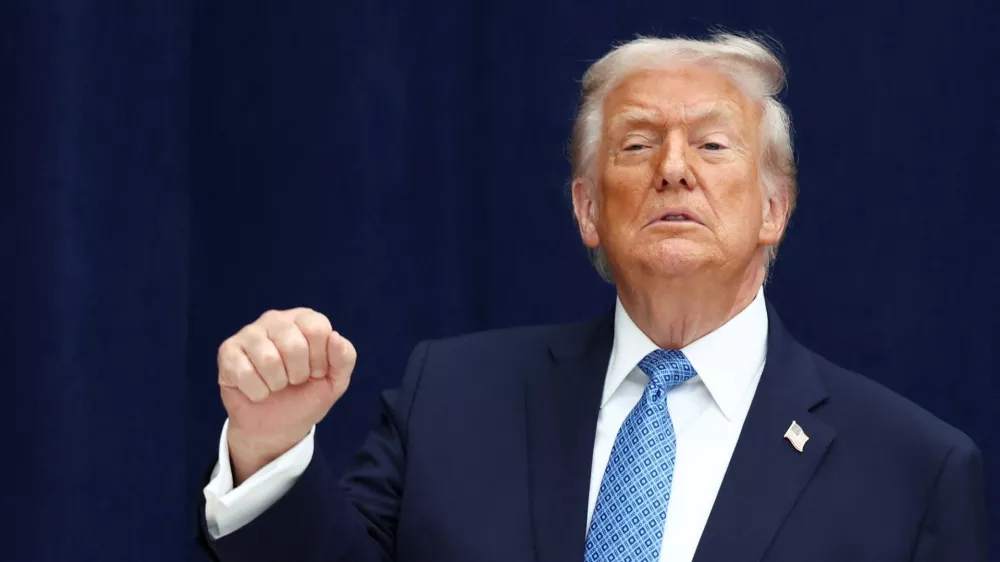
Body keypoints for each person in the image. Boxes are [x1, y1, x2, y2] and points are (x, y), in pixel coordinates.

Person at [197, 32, 987, 562]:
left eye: (712, 145)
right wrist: (268, 449)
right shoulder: (451, 401)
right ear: (586, 209)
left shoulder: (914, 469)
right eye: (637, 144)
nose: (673, 169)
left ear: (774, 209)